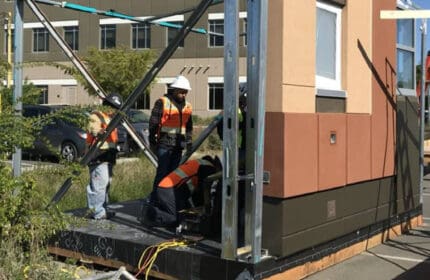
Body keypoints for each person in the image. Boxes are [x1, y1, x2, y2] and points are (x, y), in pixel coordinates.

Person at [140, 155, 222, 227]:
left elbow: (197, 193)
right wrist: (206, 209)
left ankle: (159, 208)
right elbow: (203, 190)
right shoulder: (208, 168)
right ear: (217, 166)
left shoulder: (200, 163)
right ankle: (150, 213)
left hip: (168, 188)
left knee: (183, 213)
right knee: (174, 219)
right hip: (169, 190)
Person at [149, 75, 193, 201]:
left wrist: (189, 142)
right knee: (162, 173)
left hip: (178, 146)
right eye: (182, 92)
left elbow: (189, 126)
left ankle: (168, 200)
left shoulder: (188, 106)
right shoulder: (162, 102)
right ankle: (155, 200)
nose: (184, 95)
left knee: (173, 175)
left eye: (186, 93)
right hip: (164, 144)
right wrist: (152, 142)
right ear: (174, 90)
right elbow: (153, 123)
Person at [85, 93, 122, 220]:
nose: (114, 111)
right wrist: (101, 132)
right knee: (99, 184)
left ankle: (101, 209)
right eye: (113, 107)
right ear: (106, 105)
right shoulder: (96, 116)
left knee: (105, 184)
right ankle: (97, 211)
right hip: (98, 155)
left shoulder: (110, 119)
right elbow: (94, 130)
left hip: (108, 155)